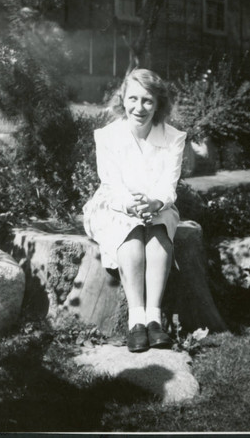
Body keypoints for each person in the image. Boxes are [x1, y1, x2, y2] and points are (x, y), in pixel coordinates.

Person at [83, 68, 187, 352]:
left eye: (148, 101)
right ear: (123, 99)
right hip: (115, 205)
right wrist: (130, 205)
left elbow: (169, 184)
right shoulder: (107, 136)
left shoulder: (173, 137)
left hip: (158, 204)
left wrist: (154, 203)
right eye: (133, 99)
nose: (139, 108)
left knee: (158, 237)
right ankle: (136, 321)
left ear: (159, 104)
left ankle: (154, 320)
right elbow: (111, 184)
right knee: (130, 237)